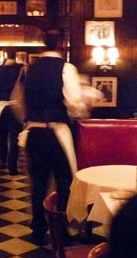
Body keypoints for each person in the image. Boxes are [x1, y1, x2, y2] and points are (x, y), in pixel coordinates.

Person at [23, 29, 89, 244]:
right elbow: (74, 103)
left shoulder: (29, 69)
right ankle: (62, 229)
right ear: (61, 43)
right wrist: (83, 107)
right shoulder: (66, 68)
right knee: (64, 182)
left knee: (39, 182)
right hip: (57, 132)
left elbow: (18, 102)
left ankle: (38, 228)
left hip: (34, 132)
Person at [0, 49, 23, 175]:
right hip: (17, 105)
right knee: (15, 136)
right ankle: (12, 165)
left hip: (2, 104)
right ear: (17, 56)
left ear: (6, 55)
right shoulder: (22, 69)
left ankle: (2, 160)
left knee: (2, 133)